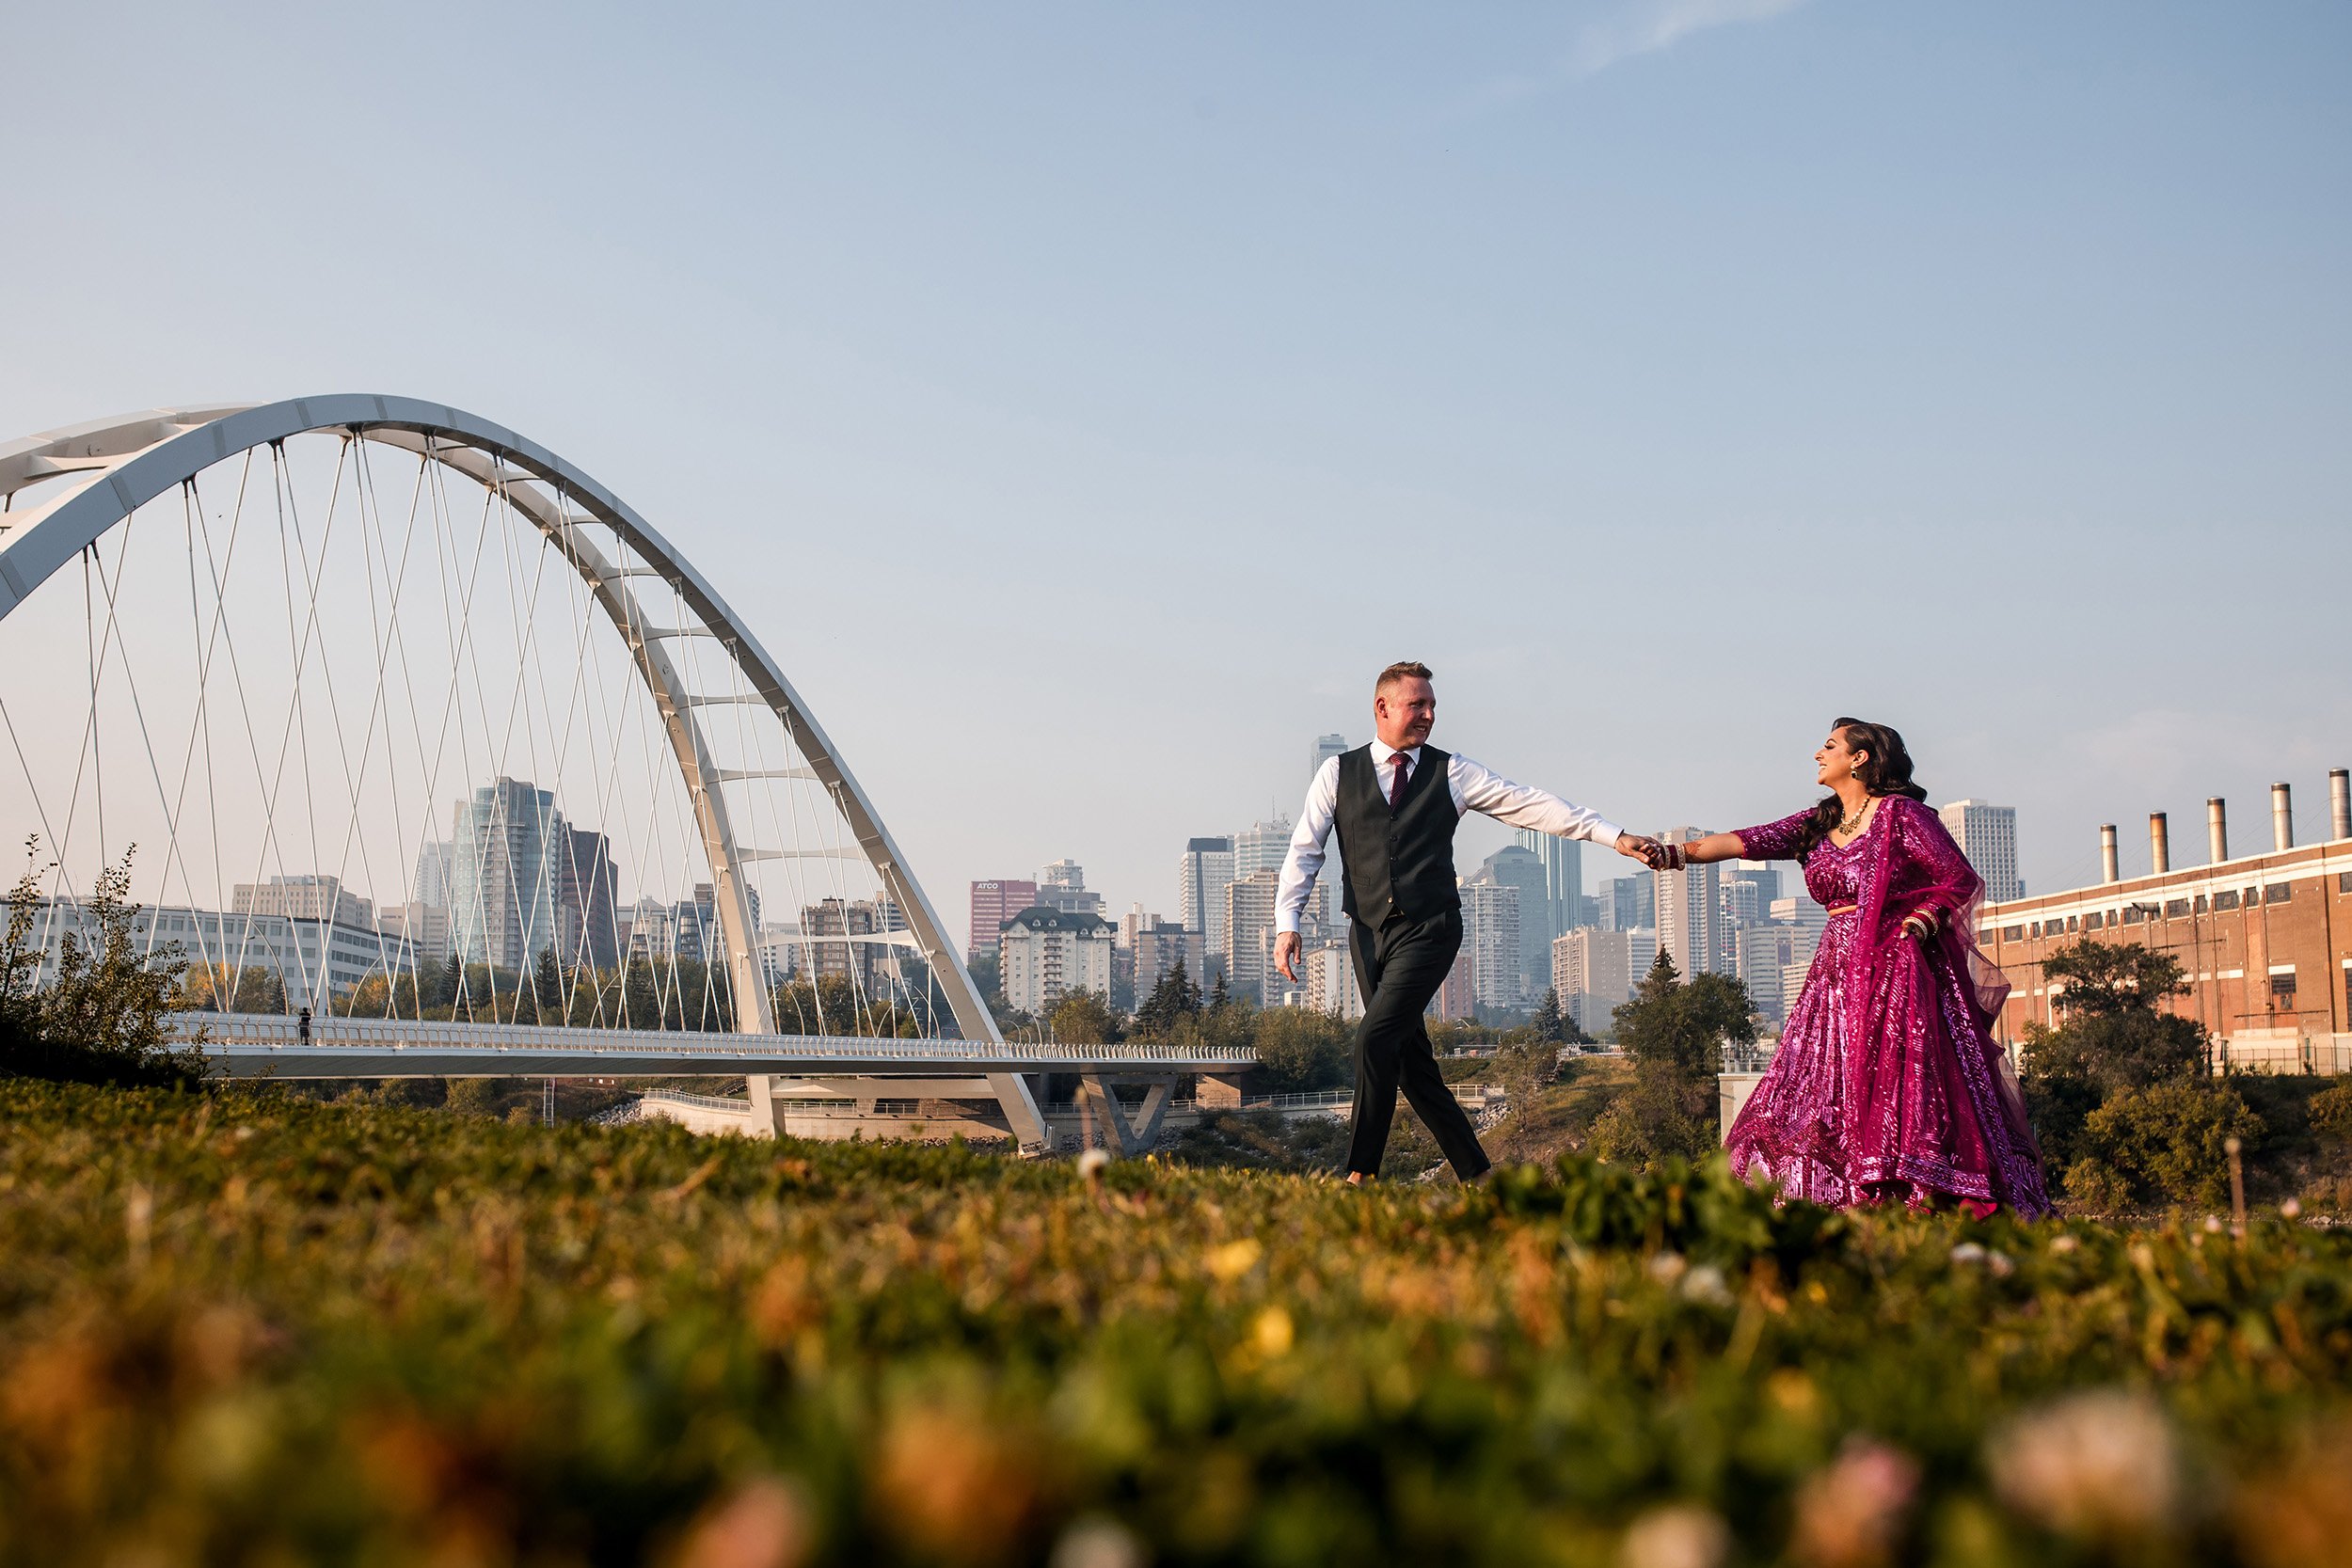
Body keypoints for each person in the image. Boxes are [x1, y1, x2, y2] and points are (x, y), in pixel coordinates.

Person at [1273, 661, 1664, 1184]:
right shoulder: (1337, 773)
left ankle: (1360, 1173)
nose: (1430, 716)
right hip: (1366, 932)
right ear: (1382, 707)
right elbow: (1305, 849)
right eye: (1418, 705)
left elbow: (1528, 803)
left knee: (1373, 1040)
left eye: (1432, 706)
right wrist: (1287, 921)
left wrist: (1611, 835)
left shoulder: (1451, 772)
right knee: (1409, 1061)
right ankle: (1478, 1174)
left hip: (1430, 929)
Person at [1661, 719, 2049, 1216]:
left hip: (1895, 971)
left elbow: (1957, 878)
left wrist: (1925, 917)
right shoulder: (1817, 823)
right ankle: (1817, 1212)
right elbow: (1744, 841)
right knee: (1816, 1087)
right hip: (1833, 975)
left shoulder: (1904, 816)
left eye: (1829, 746)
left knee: (1896, 1084)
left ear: (1860, 758)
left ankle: (1907, 1197)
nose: (1817, 755)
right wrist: (1672, 854)